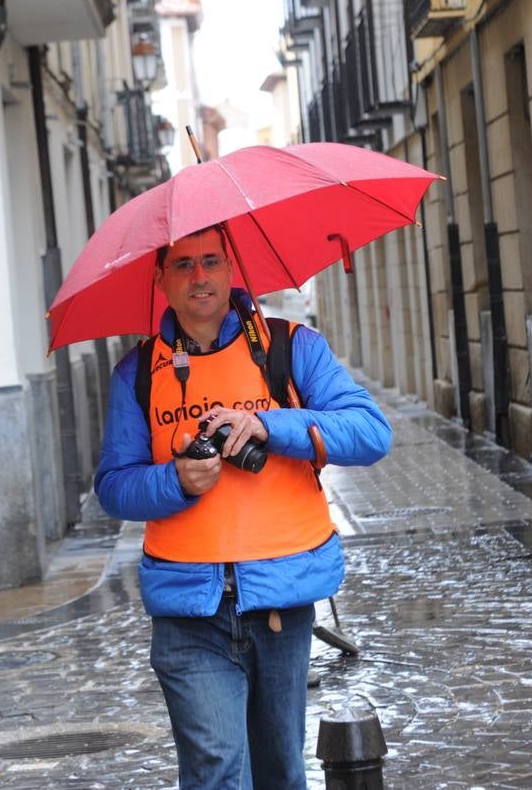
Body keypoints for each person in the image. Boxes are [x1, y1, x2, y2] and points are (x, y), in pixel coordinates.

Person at [95, 226, 391, 789]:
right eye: (182, 265)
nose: (199, 277)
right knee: (215, 770)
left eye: (211, 261)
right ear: (161, 279)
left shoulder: (291, 346)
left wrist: (269, 426)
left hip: (281, 599)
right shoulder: (136, 374)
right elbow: (113, 486)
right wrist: (175, 481)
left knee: (281, 768)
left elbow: (371, 433)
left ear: (231, 269)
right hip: (188, 609)